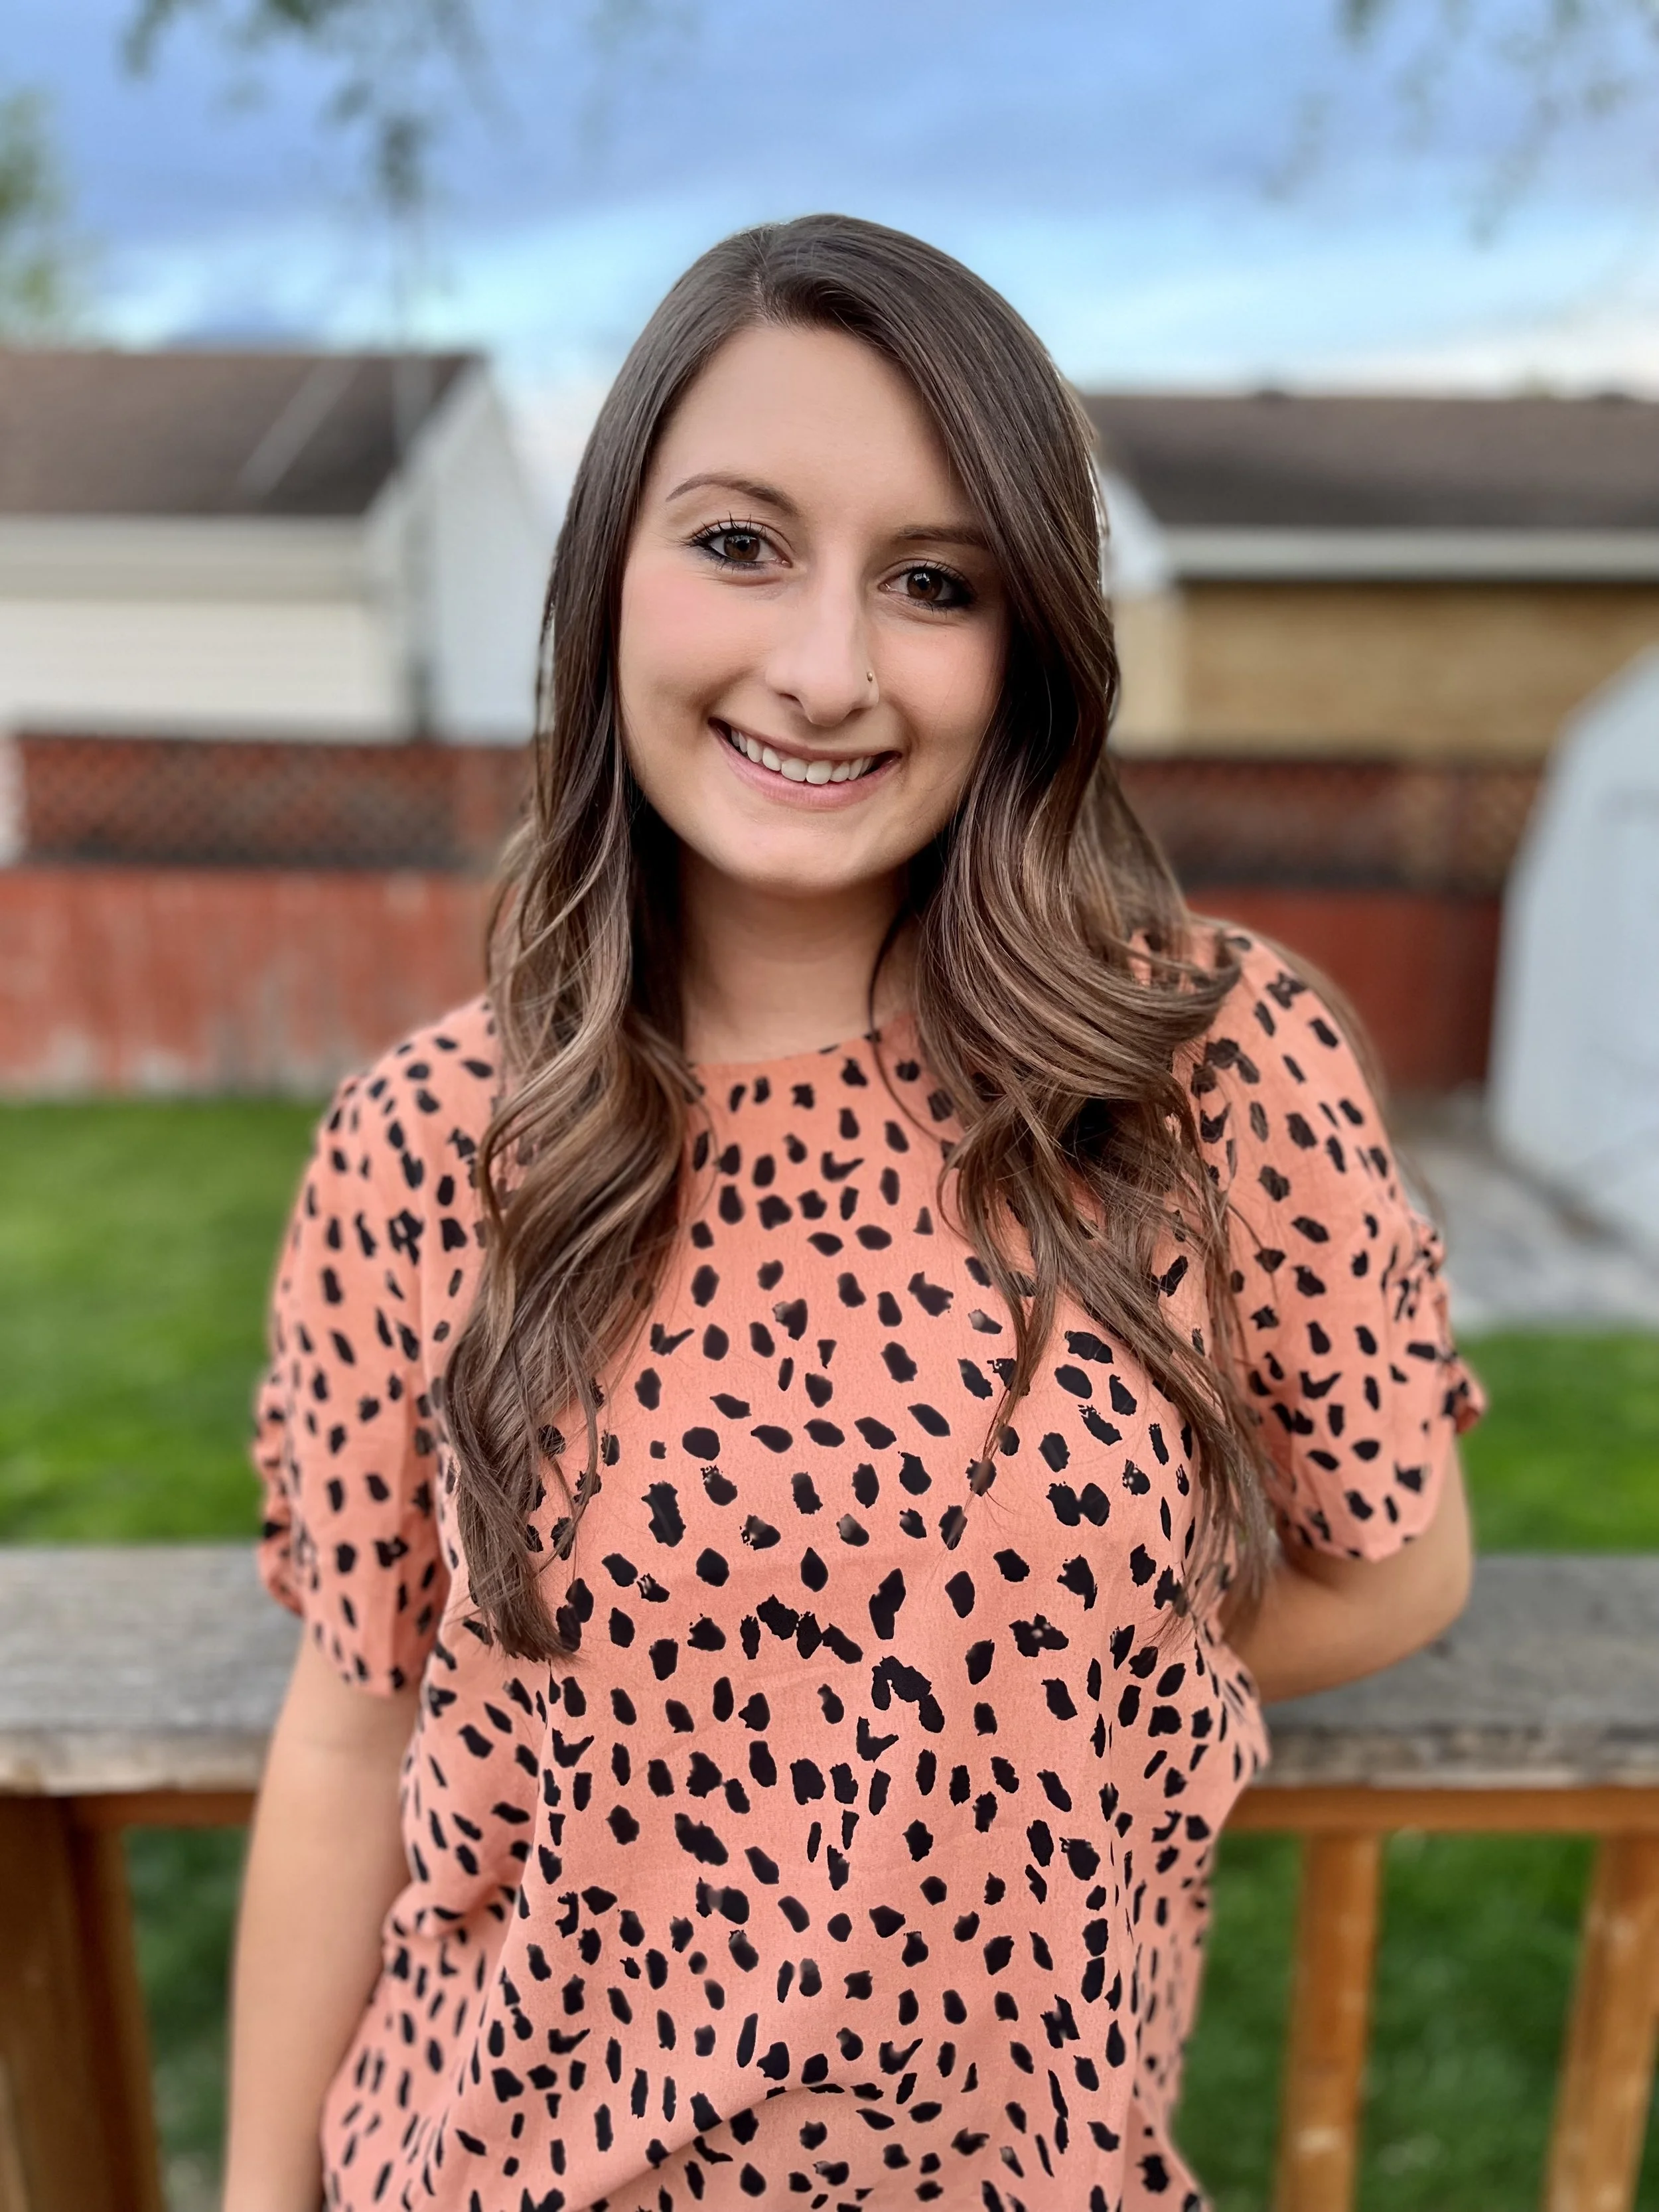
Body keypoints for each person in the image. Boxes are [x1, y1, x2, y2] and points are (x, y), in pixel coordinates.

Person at [225, 214, 1482, 2212]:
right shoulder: (431, 1137)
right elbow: (349, 1727)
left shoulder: (1206, 1064)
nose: (824, 668)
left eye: (932, 582)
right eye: (738, 543)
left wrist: (991, 1639)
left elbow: (1390, 1565)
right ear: (607, 577)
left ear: (1030, 642)